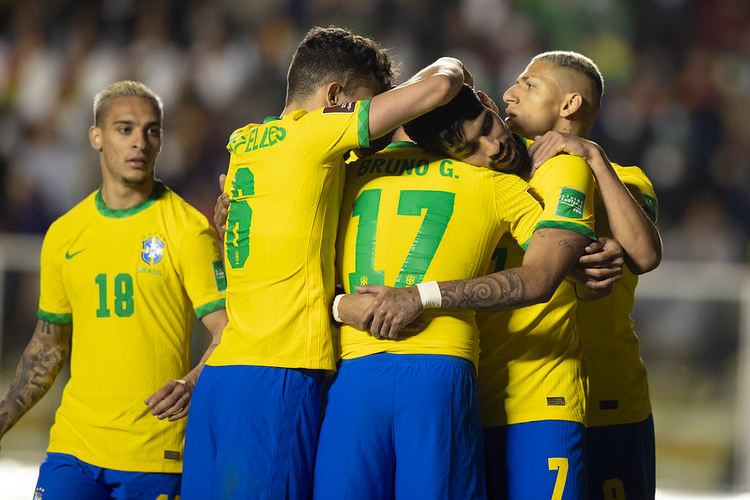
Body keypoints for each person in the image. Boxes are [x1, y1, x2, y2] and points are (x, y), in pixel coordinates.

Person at [180, 26, 469, 500]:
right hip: (277, 374)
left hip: (223, 377)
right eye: (366, 103)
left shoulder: (245, 143)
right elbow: (439, 87)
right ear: (334, 96)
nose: (370, 125)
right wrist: (453, 65)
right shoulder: (315, 133)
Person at [312, 84, 597, 500]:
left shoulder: (345, 174)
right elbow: (550, 272)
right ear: (443, 152)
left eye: (486, 127)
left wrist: (339, 304)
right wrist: (586, 255)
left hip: (353, 370)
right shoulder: (493, 185)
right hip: (440, 370)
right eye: (470, 148)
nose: (493, 148)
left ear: (487, 102)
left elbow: (292, 266)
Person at [0, 80, 228, 500]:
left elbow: (228, 330)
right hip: (74, 448)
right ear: (96, 137)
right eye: (125, 129)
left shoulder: (187, 229)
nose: (139, 142)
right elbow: (49, 347)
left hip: (154, 454)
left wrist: (193, 383)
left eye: (151, 130)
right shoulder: (64, 234)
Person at [499, 51, 661, 500]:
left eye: (529, 85)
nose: (510, 93)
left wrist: (592, 157)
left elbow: (644, 255)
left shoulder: (627, 181)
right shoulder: (499, 180)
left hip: (613, 395)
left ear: (569, 105)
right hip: (523, 392)